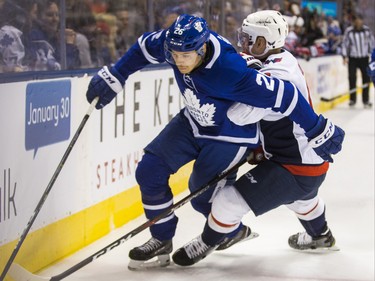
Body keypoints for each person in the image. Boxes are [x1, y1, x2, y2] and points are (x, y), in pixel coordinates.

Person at [85, 14, 345, 270]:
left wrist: (317, 127)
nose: (179, 61)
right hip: (194, 119)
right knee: (149, 171)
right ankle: (162, 239)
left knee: (203, 197)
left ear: (203, 47)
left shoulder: (231, 71)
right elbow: (144, 46)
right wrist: (117, 73)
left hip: (228, 135)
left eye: (186, 56)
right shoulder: (174, 43)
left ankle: (226, 233)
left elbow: (286, 95)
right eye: (174, 55)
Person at [171, 10, 341, 267]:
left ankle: (207, 241)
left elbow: (240, 115)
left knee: (227, 202)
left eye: (255, 41)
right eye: (245, 39)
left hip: (295, 166)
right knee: (303, 200)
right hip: (305, 162)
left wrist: (237, 81)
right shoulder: (281, 58)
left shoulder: (279, 74)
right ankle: (322, 236)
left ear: (271, 41)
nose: (247, 46)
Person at [342, 14, 375, 108]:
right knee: (352, 78)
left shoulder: (367, 30)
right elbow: (345, 44)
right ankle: (352, 100)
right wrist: (344, 56)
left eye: (359, 20)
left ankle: (366, 100)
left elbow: (371, 44)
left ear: (362, 21)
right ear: (354, 21)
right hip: (353, 58)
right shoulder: (349, 31)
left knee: (366, 78)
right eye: (356, 20)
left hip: (364, 58)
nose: (358, 22)